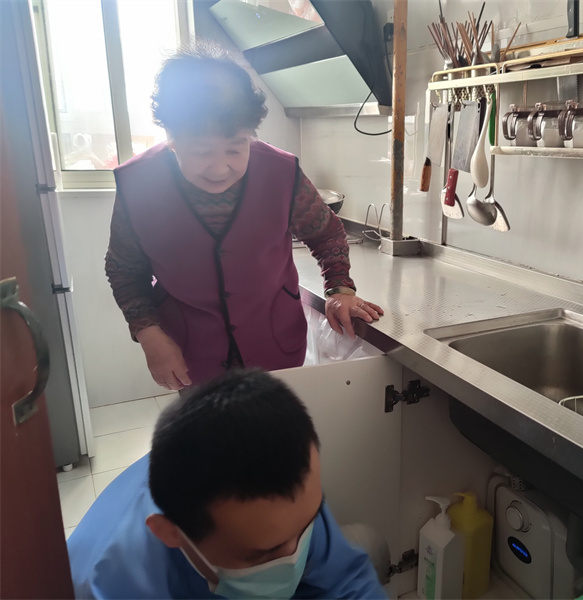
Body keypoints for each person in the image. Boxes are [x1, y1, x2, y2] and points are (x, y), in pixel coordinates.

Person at [105, 44, 383, 391]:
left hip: (276, 347)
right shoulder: (137, 183)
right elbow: (124, 269)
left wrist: (340, 287)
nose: (220, 167)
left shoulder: (281, 172)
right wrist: (149, 335)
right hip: (190, 354)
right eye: (202, 152)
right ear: (172, 139)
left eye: (235, 148)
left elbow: (326, 234)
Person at [68, 369, 388, 599]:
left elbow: (346, 580)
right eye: (263, 555)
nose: (296, 559)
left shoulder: (286, 500)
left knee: (367, 543)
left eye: (308, 526)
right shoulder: (107, 587)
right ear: (171, 533)